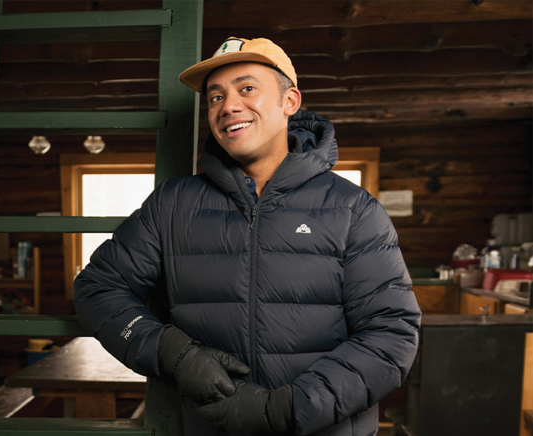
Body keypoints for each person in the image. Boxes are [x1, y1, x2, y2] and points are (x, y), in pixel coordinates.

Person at [74, 37, 421, 436]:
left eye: (247, 88)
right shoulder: (173, 204)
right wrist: (174, 354)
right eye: (215, 97)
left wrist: (285, 409)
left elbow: (390, 334)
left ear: (290, 101)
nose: (228, 106)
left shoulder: (352, 208)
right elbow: (98, 289)